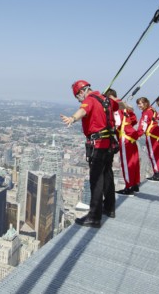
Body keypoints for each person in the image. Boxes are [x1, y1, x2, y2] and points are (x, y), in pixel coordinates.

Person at [61, 80, 119, 228]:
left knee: (96, 180)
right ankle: (109, 208)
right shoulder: (106, 99)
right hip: (110, 143)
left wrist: (72, 118)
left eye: (77, 96)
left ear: (81, 92)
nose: (78, 99)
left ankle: (94, 217)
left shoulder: (90, 100)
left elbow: (83, 110)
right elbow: (120, 105)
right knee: (107, 175)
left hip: (98, 145)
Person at [106, 89, 140, 195]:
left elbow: (117, 122)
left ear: (110, 97)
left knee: (127, 163)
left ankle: (129, 187)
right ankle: (134, 184)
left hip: (124, 136)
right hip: (131, 135)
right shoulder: (126, 106)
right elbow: (134, 119)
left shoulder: (116, 106)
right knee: (134, 161)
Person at [136, 97, 159, 181]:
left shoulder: (146, 113)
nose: (139, 105)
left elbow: (143, 126)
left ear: (145, 103)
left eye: (140, 103)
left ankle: (157, 173)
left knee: (153, 154)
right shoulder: (152, 110)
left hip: (152, 135)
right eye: (138, 103)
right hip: (158, 133)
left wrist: (136, 135)